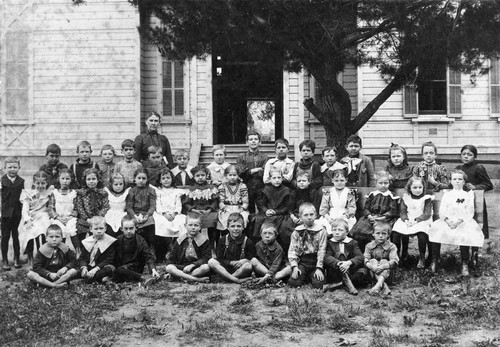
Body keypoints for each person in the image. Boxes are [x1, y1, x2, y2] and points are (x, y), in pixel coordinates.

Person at [428, 170, 484, 276]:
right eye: (454, 179)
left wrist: (459, 221)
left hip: (463, 220)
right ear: (451, 181)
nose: (457, 181)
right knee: (436, 230)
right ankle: (435, 260)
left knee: (466, 233)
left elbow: (470, 212)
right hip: (448, 220)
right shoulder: (447, 194)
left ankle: (465, 262)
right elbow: (442, 210)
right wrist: (447, 221)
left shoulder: (468, 195)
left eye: (460, 179)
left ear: (464, 181)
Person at [349, 171, 400, 252]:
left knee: (381, 231)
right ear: (375, 183)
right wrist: (369, 216)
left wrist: (381, 218)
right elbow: (366, 208)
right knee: (359, 230)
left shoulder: (392, 196)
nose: (383, 185)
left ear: (389, 183)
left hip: (385, 219)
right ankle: (362, 250)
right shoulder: (372, 195)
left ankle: (381, 251)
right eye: (380, 183)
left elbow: (392, 211)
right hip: (371, 217)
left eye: (386, 183)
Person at [392, 177, 433, 268]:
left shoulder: (426, 198)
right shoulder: (406, 197)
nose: (418, 190)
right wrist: (406, 220)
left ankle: (422, 257)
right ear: (409, 188)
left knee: (422, 233)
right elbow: (402, 211)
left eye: (420, 187)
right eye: (414, 188)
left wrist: (416, 221)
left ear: (423, 187)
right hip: (407, 219)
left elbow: (427, 214)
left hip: (422, 219)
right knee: (396, 232)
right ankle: (397, 256)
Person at [455, 144, 493, 239]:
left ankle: (475, 251)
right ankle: (464, 251)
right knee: (462, 225)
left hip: (476, 201)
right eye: (464, 154)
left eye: (469, 154)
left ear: (475, 156)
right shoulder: (458, 168)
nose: (466, 156)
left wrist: (475, 187)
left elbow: (489, 185)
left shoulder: (478, 168)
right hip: (462, 201)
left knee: (476, 226)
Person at [288, 203, 327, 289]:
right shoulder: (297, 232)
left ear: (316, 215)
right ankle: (304, 276)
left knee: (319, 284)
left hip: (315, 261)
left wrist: (319, 268)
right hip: (303, 261)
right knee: (293, 283)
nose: (309, 217)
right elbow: (292, 251)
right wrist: (295, 267)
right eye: (306, 215)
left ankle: (312, 276)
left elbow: (322, 250)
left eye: (311, 214)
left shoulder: (321, 230)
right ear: (300, 216)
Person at [208, 213, 255, 284]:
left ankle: (226, 279)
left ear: (243, 227)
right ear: (228, 227)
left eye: (239, 226)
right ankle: (236, 280)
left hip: (240, 270)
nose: (236, 229)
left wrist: (245, 260)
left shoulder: (248, 241)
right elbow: (219, 258)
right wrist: (231, 262)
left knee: (248, 266)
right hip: (225, 269)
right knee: (211, 261)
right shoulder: (223, 240)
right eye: (232, 226)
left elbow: (252, 258)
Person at [323, 218, 367, 295]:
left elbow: (360, 257)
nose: (337, 232)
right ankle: (347, 283)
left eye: (340, 230)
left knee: (362, 274)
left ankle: (338, 284)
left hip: (350, 270)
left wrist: (348, 263)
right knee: (340, 255)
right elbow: (327, 257)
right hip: (335, 271)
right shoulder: (330, 242)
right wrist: (338, 263)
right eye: (334, 230)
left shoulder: (352, 242)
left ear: (347, 232)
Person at [280, 172, 321, 253]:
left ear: (309, 182)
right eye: (299, 181)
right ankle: (290, 252)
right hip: (296, 215)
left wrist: (304, 219)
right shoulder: (294, 193)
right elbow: (290, 208)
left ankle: (304, 251)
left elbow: (315, 208)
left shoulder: (313, 192)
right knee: (285, 228)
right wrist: (293, 217)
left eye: (304, 181)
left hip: (309, 215)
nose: (301, 183)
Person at [165, 212, 211, 283]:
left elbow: (206, 258)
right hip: (182, 267)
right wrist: (169, 271)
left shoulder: (204, 240)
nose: (193, 227)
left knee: (206, 267)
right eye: (190, 225)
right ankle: (195, 279)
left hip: (196, 267)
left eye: (196, 225)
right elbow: (172, 257)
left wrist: (193, 265)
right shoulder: (180, 240)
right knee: (169, 267)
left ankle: (182, 277)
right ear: (185, 225)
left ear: (200, 227)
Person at [113, 216, 160, 285]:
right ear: (121, 229)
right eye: (126, 229)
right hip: (121, 267)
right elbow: (112, 256)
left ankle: (143, 278)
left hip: (135, 267)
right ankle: (137, 278)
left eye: (131, 228)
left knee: (120, 271)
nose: (128, 231)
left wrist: (153, 269)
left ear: (136, 228)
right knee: (117, 271)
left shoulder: (140, 240)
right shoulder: (118, 240)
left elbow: (149, 257)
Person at [152, 168, 186, 262]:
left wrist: (175, 213)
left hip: (174, 213)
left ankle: (177, 250)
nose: (166, 180)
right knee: (162, 224)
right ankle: (168, 248)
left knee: (181, 222)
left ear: (172, 179)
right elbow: (158, 204)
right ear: (160, 180)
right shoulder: (158, 191)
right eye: (163, 178)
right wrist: (164, 214)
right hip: (162, 214)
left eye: (168, 177)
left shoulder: (176, 191)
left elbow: (178, 204)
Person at [18, 171, 53, 262]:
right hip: (31, 217)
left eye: (43, 183)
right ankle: (30, 257)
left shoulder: (48, 192)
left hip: (43, 216)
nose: (40, 185)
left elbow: (50, 207)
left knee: (45, 230)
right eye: (38, 183)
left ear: (46, 183)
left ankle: (44, 255)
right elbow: (24, 210)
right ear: (34, 183)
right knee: (29, 232)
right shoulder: (28, 194)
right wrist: (28, 220)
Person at [74, 168, 110, 253]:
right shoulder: (81, 193)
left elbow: (105, 206)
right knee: (79, 228)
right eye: (88, 179)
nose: (91, 181)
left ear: (98, 180)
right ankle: (82, 251)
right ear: (85, 180)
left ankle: (97, 250)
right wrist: (87, 218)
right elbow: (79, 207)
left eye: (93, 179)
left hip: (98, 219)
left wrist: (97, 217)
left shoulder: (102, 193)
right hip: (85, 219)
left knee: (98, 229)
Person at [183, 165, 219, 246]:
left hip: (209, 212)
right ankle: (196, 245)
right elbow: (187, 203)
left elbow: (215, 201)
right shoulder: (191, 189)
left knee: (212, 222)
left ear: (206, 176)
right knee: (194, 223)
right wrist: (194, 210)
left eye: (202, 175)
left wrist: (209, 210)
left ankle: (211, 245)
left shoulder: (211, 188)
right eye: (197, 176)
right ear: (194, 177)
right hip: (195, 211)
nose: (200, 177)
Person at [1, 157, 25, 270]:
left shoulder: (21, 181)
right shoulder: (1, 181)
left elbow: (23, 197)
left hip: (16, 213)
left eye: (15, 167)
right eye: (9, 167)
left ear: (19, 168)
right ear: (5, 168)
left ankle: (16, 257)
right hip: (5, 213)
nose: (12, 169)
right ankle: (5, 259)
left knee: (16, 236)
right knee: (5, 236)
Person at [253, 169, 290, 240]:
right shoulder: (267, 189)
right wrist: (266, 211)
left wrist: (276, 212)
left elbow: (287, 207)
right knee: (258, 221)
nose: (277, 180)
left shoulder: (286, 190)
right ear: (270, 179)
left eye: (279, 178)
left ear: (282, 178)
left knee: (284, 226)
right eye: (274, 178)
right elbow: (263, 204)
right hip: (268, 214)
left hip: (281, 214)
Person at [236, 131, 268, 213]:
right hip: (246, 187)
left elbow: (265, 171)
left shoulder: (264, 156)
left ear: (259, 142)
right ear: (247, 142)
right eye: (251, 139)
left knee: (262, 209)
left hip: (261, 186)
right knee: (248, 211)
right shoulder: (242, 157)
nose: (253, 141)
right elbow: (241, 172)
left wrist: (248, 171)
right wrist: (256, 169)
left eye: (256, 139)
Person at [364, 221, 399, 296]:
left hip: (387, 274)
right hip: (372, 273)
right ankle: (384, 287)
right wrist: (372, 266)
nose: (380, 236)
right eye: (378, 233)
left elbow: (394, 260)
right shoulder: (369, 245)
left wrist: (383, 266)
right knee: (372, 260)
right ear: (373, 234)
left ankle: (378, 285)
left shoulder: (392, 246)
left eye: (384, 233)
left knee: (384, 261)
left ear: (388, 235)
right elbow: (366, 259)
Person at [79, 216, 116, 283]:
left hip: (102, 266)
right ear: (90, 229)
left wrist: (96, 269)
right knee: (76, 270)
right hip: (90, 266)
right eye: (96, 229)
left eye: (101, 228)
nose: (99, 231)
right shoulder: (87, 241)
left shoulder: (110, 241)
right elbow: (82, 257)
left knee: (103, 272)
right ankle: (93, 278)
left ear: (105, 228)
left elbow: (109, 259)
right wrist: (84, 267)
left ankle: (92, 279)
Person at [126, 168, 156, 247]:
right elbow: (129, 207)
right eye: (139, 178)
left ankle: (149, 248)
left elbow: (152, 206)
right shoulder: (132, 191)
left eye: (143, 178)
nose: (141, 180)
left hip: (147, 214)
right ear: (135, 179)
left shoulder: (150, 190)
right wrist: (135, 216)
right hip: (134, 214)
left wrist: (147, 215)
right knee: (130, 224)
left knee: (151, 225)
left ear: (147, 179)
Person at [48, 169, 78, 249]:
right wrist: (57, 217)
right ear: (58, 179)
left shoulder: (74, 193)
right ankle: (60, 251)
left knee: (72, 229)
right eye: (63, 178)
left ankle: (78, 251)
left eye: (67, 179)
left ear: (71, 180)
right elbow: (51, 208)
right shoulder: (55, 193)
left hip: (70, 218)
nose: (65, 181)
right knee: (61, 230)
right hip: (58, 218)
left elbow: (76, 207)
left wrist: (70, 217)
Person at [217, 165, 249, 231]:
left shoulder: (242, 186)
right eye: (230, 175)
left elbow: (245, 201)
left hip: (239, 208)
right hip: (227, 208)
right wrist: (225, 208)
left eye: (234, 175)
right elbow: (220, 202)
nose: (232, 177)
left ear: (238, 176)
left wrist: (242, 208)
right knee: (226, 219)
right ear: (226, 176)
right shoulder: (222, 186)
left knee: (244, 218)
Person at [104, 173, 130, 237]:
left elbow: (128, 206)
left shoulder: (126, 193)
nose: (119, 186)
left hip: (122, 214)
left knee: (121, 228)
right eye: (116, 184)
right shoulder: (108, 193)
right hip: (109, 214)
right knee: (109, 229)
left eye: (121, 184)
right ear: (111, 184)